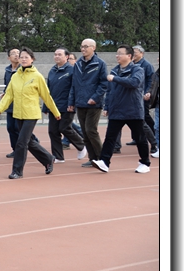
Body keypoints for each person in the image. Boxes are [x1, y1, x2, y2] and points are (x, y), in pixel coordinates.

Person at [0, 47, 58, 179]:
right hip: (18, 113)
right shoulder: (15, 76)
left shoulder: (37, 76)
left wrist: (55, 112)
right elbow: (8, 95)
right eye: (21, 57)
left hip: (31, 114)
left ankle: (17, 171)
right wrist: (0, 108)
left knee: (21, 142)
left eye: (26, 57)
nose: (23, 59)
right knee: (28, 141)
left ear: (32, 59)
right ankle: (48, 159)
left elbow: (46, 96)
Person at [91, 45, 152, 174]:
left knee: (139, 137)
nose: (117, 56)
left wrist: (116, 78)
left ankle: (145, 163)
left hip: (133, 110)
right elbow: (110, 91)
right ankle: (104, 162)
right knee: (110, 137)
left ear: (129, 56)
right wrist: (107, 107)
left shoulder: (137, 70)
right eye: (117, 53)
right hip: (117, 110)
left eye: (120, 53)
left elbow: (134, 83)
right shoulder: (114, 70)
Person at [68, 38, 109, 167]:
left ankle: (102, 158)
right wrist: (71, 101)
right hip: (80, 103)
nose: (83, 49)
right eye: (82, 46)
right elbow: (74, 84)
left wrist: (95, 97)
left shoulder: (100, 63)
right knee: (85, 133)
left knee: (91, 130)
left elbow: (104, 84)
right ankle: (92, 158)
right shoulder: (78, 63)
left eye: (86, 46)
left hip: (93, 104)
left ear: (94, 48)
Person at [43, 48, 88, 163]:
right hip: (54, 106)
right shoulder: (52, 71)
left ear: (67, 57)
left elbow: (75, 88)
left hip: (67, 105)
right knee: (53, 131)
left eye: (59, 54)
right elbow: (47, 90)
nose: (57, 56)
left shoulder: (72, 70)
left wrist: (72, 103)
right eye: (55, 54)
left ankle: (81, 145)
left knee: (64, 127)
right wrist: (46, 106)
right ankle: (58, 157)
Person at [122, 46, 159, 155]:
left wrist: (148, 92)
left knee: (144, 118)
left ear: (142, 53)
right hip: (132, 96)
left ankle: (153, 140)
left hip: (143, 96)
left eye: (136, 52)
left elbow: (151, 81)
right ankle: (136, 138)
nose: (133, 54)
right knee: (137, 119)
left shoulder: (147, 65)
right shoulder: (131, 64)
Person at [1, 48, 21, 158]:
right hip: (10, 104)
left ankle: (29, 144)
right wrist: (4, 93)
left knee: (18, 128)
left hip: (20, 104)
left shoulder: (23, 70)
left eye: (18, 53)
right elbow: (7, 86)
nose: (16, 55)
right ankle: (15, 149)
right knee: (10, 127)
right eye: (13, 53)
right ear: (9, 57)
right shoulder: (8, 71)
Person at [148, 55, 160, 158]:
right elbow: (152, 86)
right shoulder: (156, 73)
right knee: (157, 127)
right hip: (159, 104)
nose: (158, 59)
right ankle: (159, 148)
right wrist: (149, 93)